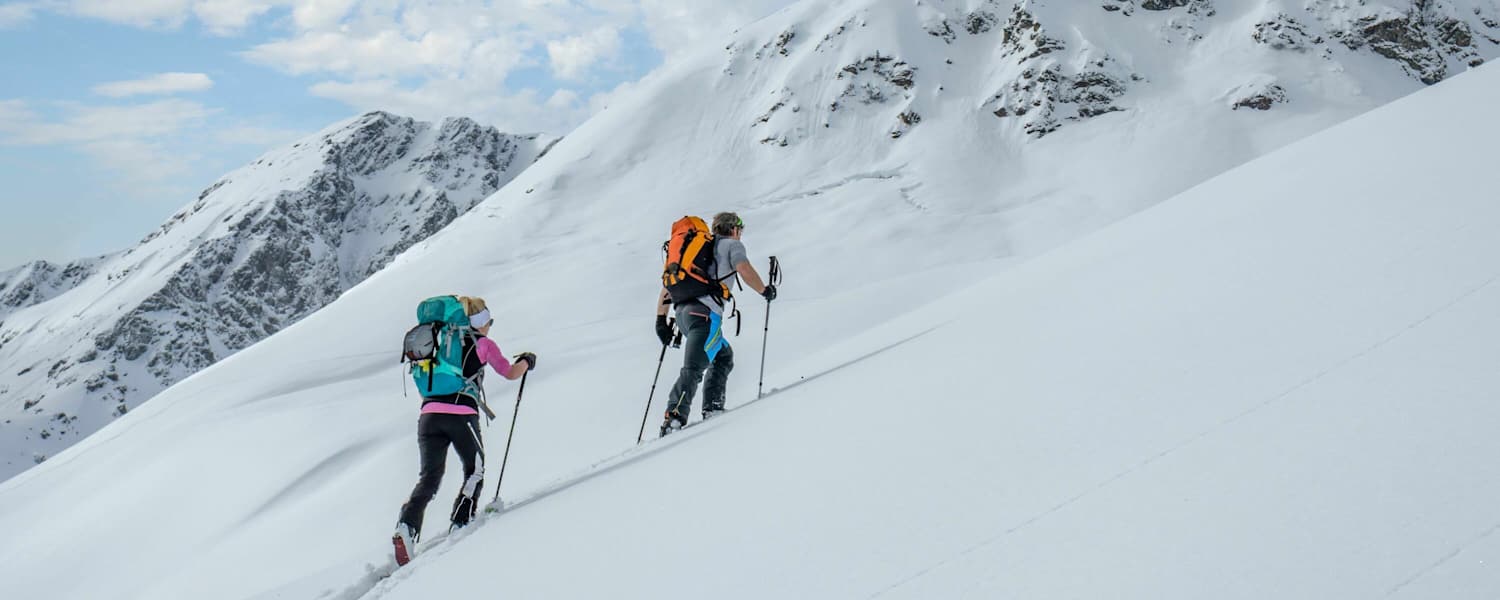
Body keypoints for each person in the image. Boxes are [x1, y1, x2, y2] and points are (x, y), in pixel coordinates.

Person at [393, 296, 535, 566]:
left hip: (428, 416)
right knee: (475, 469)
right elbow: (510, 373)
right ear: (481, 321)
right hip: (461, 415)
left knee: (429, 477)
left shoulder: (439, 343)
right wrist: (527, 361)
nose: (490, 325)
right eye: (488, 320)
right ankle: (461, 522)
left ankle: (407, 526)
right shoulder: (483, 344)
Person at [655, 212, 775, 436]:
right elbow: (744, 268)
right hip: (705, 316)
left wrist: (661, 321)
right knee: (694, 368)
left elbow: (667, 285)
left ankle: (712, 408)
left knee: (722, 355)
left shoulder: (697, 251)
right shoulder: (731, 245)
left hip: (683, 314)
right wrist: (764, 290)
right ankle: (674, 418)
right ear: (735, 229)